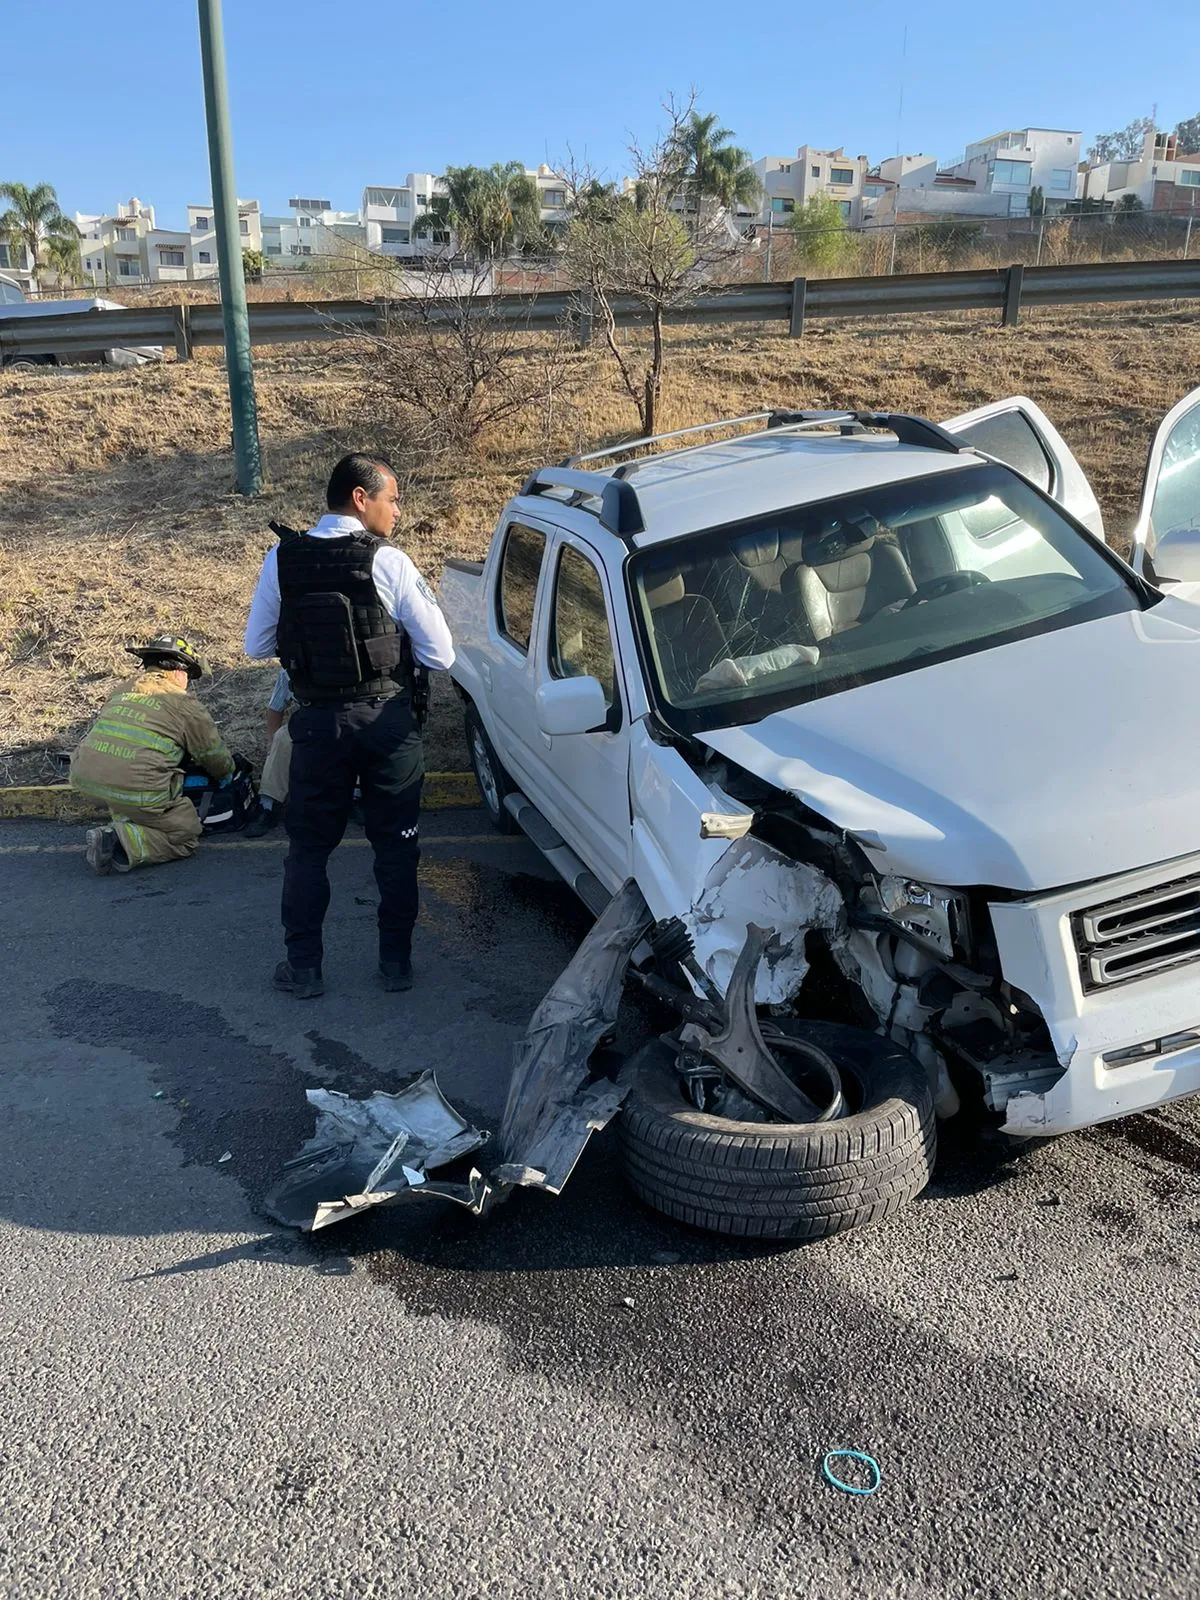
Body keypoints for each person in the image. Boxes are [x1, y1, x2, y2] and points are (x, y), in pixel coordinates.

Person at [244, 453, 454, 999]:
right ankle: (396, 966)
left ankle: (304, 969)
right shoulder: (391, 562)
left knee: (309, 851)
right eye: (393, 499)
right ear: (362, 499)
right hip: (387, 724)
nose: (398, 511)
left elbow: (257, 645)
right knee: (396, 849)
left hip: (316, 728)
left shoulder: (281, 560)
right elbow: (441, 655)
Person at [69, 634, 234, 875]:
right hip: (137, 789)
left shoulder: (122, 690)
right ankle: (117, 840)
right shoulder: (183, 704)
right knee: (184, 835)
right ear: (179, 672)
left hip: (85, 778)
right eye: (188, 676)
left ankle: (127, 818)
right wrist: (227, 773)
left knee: (133, 793)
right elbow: (212, 754)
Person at [244, 667, 294, 838]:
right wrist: (271, 739)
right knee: (281, 737)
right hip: (311, 721)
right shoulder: (296, 661)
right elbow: (275, 707)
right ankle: (269, 806)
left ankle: (356, 797)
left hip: (352, 714)